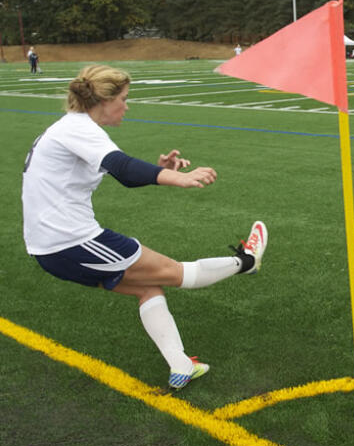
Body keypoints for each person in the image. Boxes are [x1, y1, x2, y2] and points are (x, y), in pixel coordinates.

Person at [21, 65, 267, 390]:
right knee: (179, 273)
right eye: (123, 98)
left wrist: (159, 169)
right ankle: (247, 261)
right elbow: (123, 166)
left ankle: (180, 364)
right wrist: (179, 178)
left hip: (51, 247)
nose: (127, 105)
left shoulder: (72, 128)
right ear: (104, 101)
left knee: (147, 287)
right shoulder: (79, 129)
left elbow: (123, 175)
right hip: (73, 241)